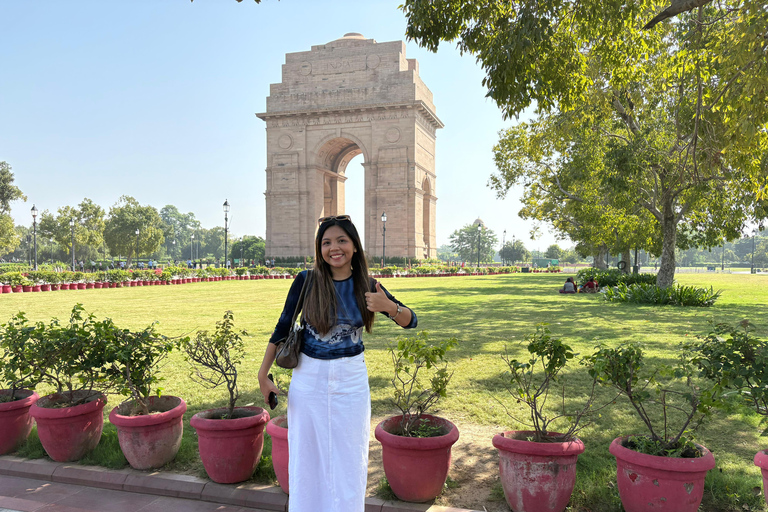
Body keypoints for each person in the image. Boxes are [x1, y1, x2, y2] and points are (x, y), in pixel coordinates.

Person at [258, 215, 417, 512]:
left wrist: (389, 307)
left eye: (342, 241)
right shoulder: (306, 281)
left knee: (349, 456)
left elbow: (411, 321)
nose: (335, 248)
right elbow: (282, 328)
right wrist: (263, 374)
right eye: (326, 242)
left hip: (351, 380)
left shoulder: (368, 285)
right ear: (319, 248)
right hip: (309, 378)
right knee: (307, 456)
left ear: (355, 246)